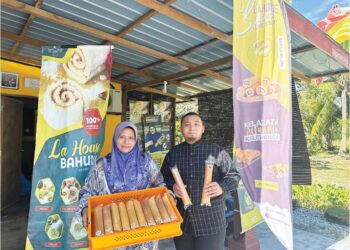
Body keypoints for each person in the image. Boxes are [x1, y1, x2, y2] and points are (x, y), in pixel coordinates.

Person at [77, 121, 164, 250]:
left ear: (136, 141)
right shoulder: (102, 164)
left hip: (144, 229)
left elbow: (160, 185)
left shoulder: (146, 162)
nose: (126, 142)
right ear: (115, 138)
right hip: (111, 228)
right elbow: (87, 191)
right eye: (121, 137)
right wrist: (85, 208)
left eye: (131, 138)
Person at [161, 112, 240, 250]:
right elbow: (162, 178)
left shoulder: (217, 151)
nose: (191, 128)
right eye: (187, 124)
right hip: (183, 223)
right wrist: (172, 186)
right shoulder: (173, 153)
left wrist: (222, 187)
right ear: (181, 130)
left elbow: (234, 175)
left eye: (196, 124)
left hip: (211, 222)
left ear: (203, 128)